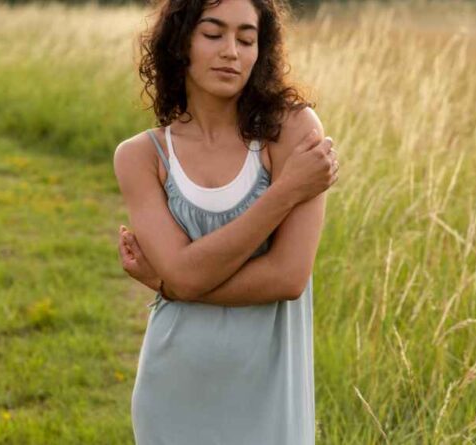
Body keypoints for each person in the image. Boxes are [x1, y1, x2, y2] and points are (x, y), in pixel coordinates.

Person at [111, 0, 339, 443]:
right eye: (213, 34)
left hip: (271, 397)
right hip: (173, 392)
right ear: (180, 44)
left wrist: (172, 283)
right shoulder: (141, 156)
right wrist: (287, 191)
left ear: (261, 49)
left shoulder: (293, 131)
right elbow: (182, 275)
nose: (231, 51)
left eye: (246, 38)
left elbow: (288, 278)